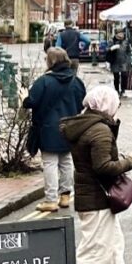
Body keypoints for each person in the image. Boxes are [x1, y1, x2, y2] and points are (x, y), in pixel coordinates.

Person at [60, 85, 132, 264]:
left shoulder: (85, 124)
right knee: (95, 248)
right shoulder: (99, 130)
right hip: (97, 198)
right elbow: (104, 167)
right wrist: (130, 161)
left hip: (94, 196)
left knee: (113, 245)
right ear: (108, 105)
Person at [24, 48, 87, 213]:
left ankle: (51, 200)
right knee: (66, 161)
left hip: (48, 128)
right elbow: (83, 103)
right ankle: (65, 196)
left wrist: (23, 96)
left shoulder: (44, 81)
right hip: (70, 127)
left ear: (50, 62)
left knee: (50, 163)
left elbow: (31, 101)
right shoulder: (76, 81)